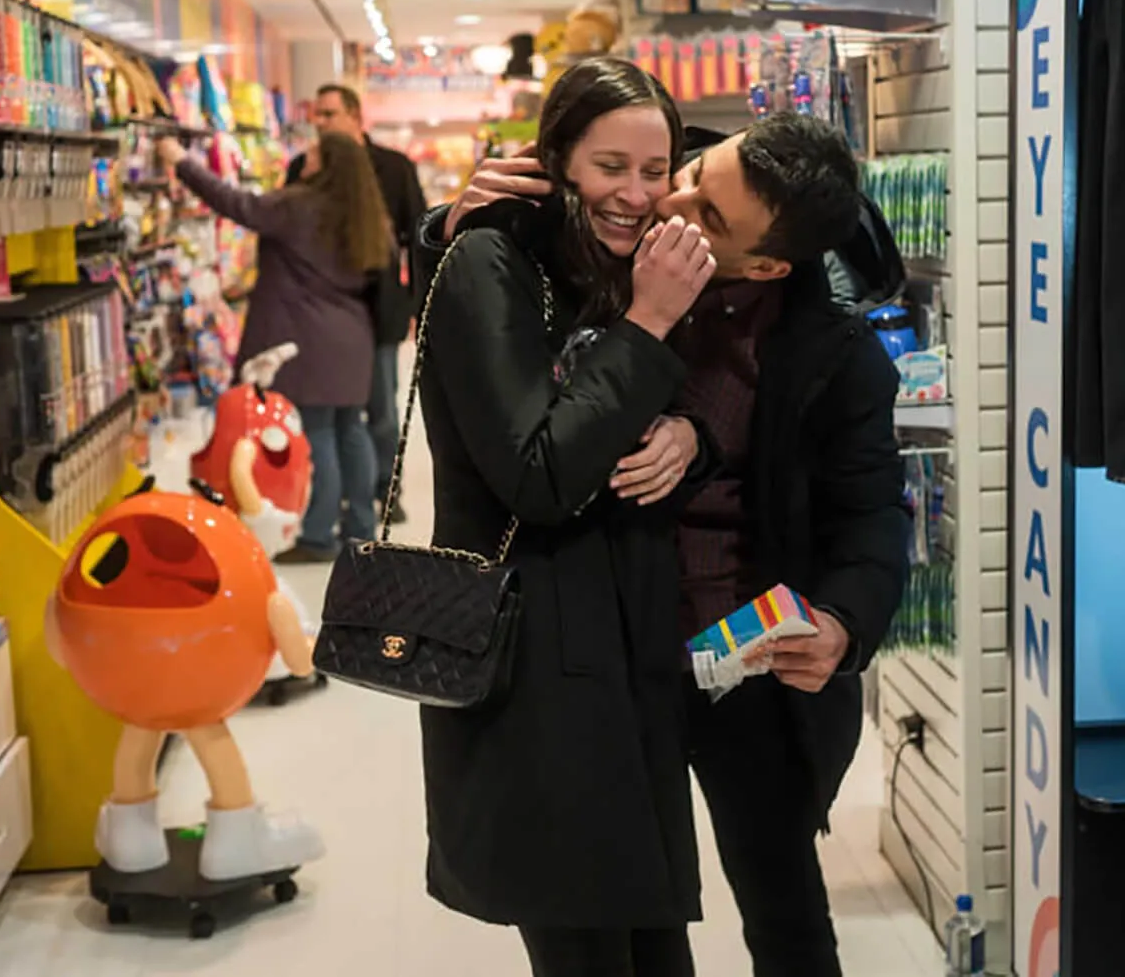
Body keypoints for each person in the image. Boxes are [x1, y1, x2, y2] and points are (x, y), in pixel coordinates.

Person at [420, 112, 911, 977]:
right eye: (692, 170)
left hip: (739, 659)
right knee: (606, 927)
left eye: (711, 217)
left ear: (765, 264)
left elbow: (871, 519)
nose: (670, 200)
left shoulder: (833, 358)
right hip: (593, 661)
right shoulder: (603, 245)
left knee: (783, 903)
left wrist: (840, 624)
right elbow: (485, 335)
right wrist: (454, 228)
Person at [416, 57, 717, 977]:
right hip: (533, 671)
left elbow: (631, 410)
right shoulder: (492, 263)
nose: (636, 192)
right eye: (608, 167)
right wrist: (651, 325)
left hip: (624, 658)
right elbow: (540, 474)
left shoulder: (623, 261)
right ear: (555, 164)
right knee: (585, 943)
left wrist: (689, 436)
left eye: (654, 169)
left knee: (650, 941)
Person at [159, 133, 393, 563]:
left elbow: (236, 204)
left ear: (328, 166)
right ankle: (360, 528)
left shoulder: (299, 205)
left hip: (308, 337)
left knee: (319, 433)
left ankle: (319, 535)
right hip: (353, 336)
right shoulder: (366, 216)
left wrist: (182, 162)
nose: (305, 158)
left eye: (315, 154)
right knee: (351, 431)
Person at [291, 83, 428, 513]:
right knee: (332, 415)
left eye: (329, 114)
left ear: (355, 116)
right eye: (317, 115)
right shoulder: (304, 167)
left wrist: (417, 305)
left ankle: (387, 489)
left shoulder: (393, 168)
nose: (321, 123)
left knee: (382, 411)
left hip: (380, 308)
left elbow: (419, 237)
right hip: (321, 315)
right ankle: (344, 497)